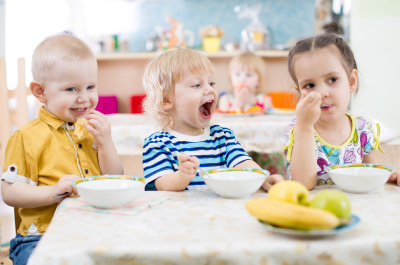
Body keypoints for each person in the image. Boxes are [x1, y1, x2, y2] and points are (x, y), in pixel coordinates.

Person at [1, 33, 123, 265]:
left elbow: (114, 177)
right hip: (40, 237)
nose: (84, 98)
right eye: (71, 89)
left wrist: (106, 144)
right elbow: (9, 193)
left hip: (93, 227)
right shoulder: (26, 137)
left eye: (90, 87)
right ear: (40, 92)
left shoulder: (91, 130)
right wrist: (52, 191)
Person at [142, 48, 283, 191]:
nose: (209, 90)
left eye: (211, 83)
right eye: (197, 85)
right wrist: (182, 176)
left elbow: (243, 162)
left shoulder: (222, 136)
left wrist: (262, 178)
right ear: (166, 100)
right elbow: (162, 184)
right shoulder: (157, 144)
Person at [283, 33, 399, 190]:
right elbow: (302, 185)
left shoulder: (363, 127)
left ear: (352, 82)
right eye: (310, 85)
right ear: (299, 93)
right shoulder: (299, 130)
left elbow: (371, 174)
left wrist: (389, 177)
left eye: (332, 80)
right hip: (312, 211)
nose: (323, 92)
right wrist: (304, 126)